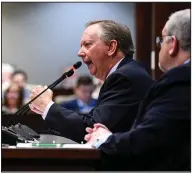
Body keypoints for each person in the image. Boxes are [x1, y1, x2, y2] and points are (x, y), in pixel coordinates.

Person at [85, 9, 191, 171]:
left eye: (161, 40)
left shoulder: (182, 78)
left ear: (173, 44)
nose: (159, 46)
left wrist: (106, 139)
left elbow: (149, 141)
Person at [29, 20, 154, 143]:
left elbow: (91, 128)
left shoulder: (124, 77)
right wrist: (45, 109)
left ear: (111, 47)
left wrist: (47, 107)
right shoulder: (127, 72)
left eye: (87, 44)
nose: (80, 53)